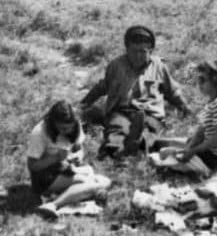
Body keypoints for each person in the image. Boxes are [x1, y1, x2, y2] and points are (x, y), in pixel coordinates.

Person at [81, 25, 194, 157]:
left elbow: (172, 92)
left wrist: (186, 109)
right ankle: (115, 149)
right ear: (127, 49)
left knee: (148, 130)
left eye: (143, 51)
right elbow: (103, 86)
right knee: (117, 128)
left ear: (150, 50)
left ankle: (137, 143)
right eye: (134, 51)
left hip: (149, 113)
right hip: (121, 110)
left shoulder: (159, 66)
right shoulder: (116, 65)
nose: (138, 56)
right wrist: (85, 103)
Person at [152, 61, 217, 180]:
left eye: (203, 79)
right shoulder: (214, 102)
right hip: (210, 151)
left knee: (166, 156)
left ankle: (201, 170)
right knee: (169, 144)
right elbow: (201, 131)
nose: (199, 83)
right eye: (199, 78)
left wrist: (192, 151)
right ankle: (156, 144)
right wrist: (189, 147)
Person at [26, 101, 112, 217]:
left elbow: (78, 148)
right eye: (63, 128)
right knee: (89, 183)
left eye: (70, 128)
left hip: (67, 168)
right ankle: (54, 204)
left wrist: (78, 157)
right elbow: (32, 166)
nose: (67, 131)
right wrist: (55, 158)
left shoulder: (75, 126)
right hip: (45, 177)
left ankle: (71, 194)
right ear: (53, 122)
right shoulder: (40, 132)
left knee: (105, 181)